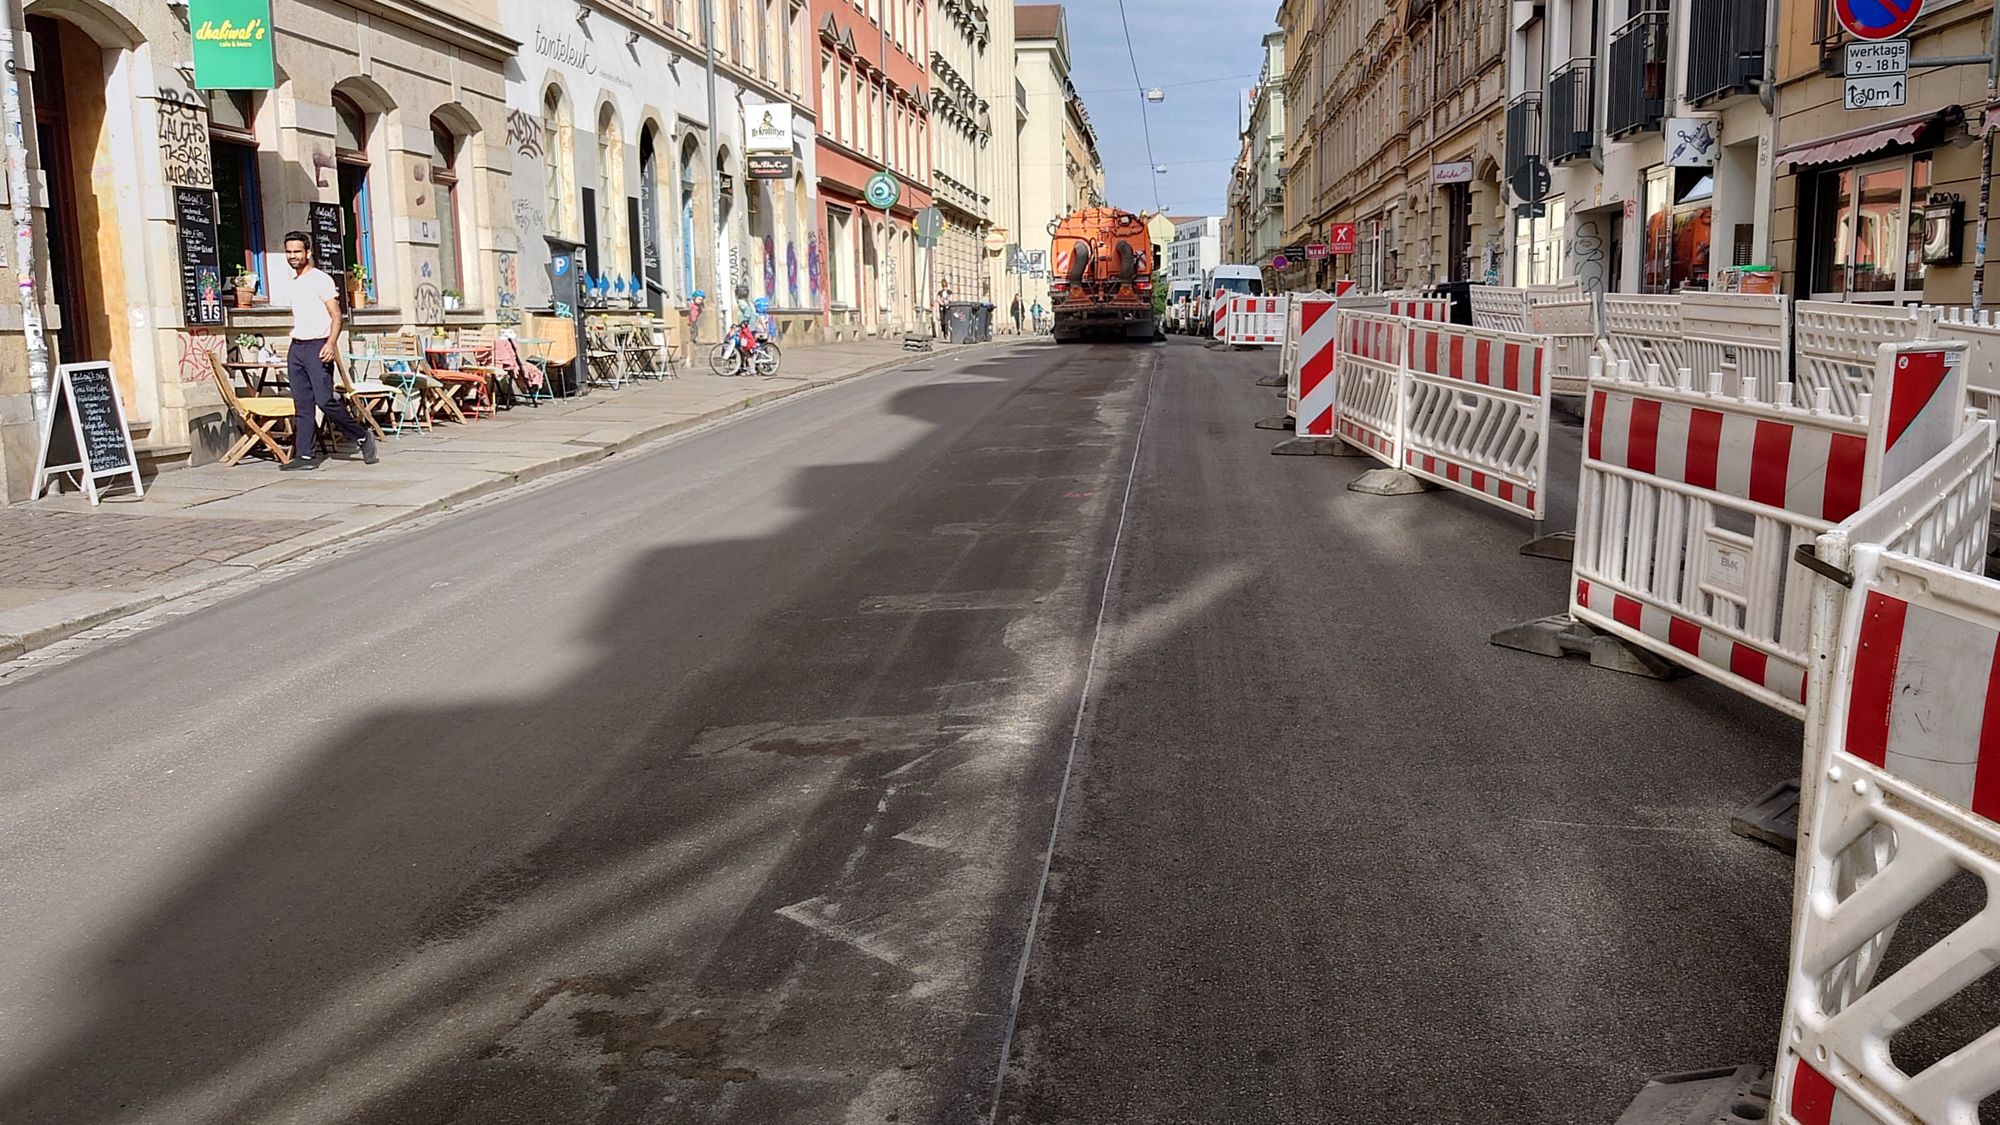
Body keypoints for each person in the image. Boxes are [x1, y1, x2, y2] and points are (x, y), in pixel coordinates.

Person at [278, 231, 375, 471]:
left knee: (324, 400)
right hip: (297, 347)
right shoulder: (292, 283)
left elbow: (336, 315)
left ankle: (361, 435)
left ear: (308, 253)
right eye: (289, 252)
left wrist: (331, 344)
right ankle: (305, 456)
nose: (293, 256)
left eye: (297, 251)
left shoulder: (320, 279)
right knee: (302, 404)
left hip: (318, 346)